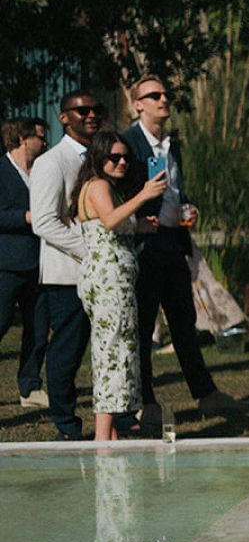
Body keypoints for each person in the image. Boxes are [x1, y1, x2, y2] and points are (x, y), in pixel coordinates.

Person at [121, 76, 236, 417]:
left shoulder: (172, 144)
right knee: (143, 326)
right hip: (145, 243)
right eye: (154, 95)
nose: (163, 99)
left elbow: (174, 191)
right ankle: (145, 400)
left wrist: (188, 208)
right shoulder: (128, 143)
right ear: (137, 103)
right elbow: (124, 195)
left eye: (166, 94)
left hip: (174, 241)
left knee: (183, 321)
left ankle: (205, 393)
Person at [73, 131, 166, 441]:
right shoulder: (98, 185)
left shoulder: (106, 187)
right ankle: (102, 437)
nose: (123, 162)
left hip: (113, 279)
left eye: (126, 156)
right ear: (99, 158)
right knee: (113, 352)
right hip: (109, 282)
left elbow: (110, 226)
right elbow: (111, 220)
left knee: (116, 350)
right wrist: (144, 194)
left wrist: (141, 226)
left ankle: (110, 433)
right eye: (115, 157)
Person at [32, 91, 108, 440]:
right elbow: (45, 222)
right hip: (68, 273)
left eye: (96, 110)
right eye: (82, 110)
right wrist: (90, 250)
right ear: (64, 117)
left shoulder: (104, 157)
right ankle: (66, 423)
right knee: (68, 349)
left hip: (105, 272)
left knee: (111, 345)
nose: (91, 115)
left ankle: (117, 419)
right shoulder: (52, 162)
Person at [1, 116, 49, 409]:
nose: (45, 142)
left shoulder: (44, 170)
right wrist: (25, 217)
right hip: (7, 264)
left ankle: (30, 387)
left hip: (42, 264)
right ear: (21, 138)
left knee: (39, 328)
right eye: (40, 137)